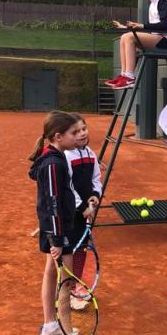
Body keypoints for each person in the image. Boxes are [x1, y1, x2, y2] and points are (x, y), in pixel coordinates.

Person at [28, 111, 97, 335]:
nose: (78, 136)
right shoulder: (54, 164)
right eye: (73, 133)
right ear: (58, 137)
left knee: (51, 274)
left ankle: (50, 326)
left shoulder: (52, 158)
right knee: (65, 283)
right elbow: (53, 203)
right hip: (61, 232)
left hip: (56, 230)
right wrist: (57, 239)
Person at [106, 0, 167, 90]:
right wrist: (128, 27)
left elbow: (165, 25)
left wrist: (142, 26)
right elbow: (155, 27)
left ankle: (129, 77)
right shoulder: (155, 2)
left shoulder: (162, 1)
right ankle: (124, 75)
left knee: (129, 37)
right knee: (125, 37)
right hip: (161, 38)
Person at [65, 113, 102, 289]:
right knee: (69, 250)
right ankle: (67, 285)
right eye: (76, 131)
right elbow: (68, 187)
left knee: (81, 249)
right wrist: (81, 207)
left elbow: (96, 178)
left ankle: (75, 283)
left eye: (84, 129)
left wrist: (95, 195)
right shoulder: (65, 156)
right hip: (71, 213)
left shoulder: (91, 154)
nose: (82, 134)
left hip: (85, 212)